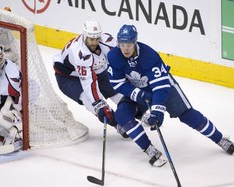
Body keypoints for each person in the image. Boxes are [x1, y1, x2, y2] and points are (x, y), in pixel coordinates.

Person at [107, 24, 234, 167]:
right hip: (138, 90)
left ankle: (220, 139)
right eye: (122, 45)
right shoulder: (114, 56)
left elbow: (161, 87)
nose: (125, 48)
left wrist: (157, 111)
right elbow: (117, 83)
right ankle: (150, 150)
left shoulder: (149, 56)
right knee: (122, 114)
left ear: (135, 42)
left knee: (187, 114)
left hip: (163, 87)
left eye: (129, 44)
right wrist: (138, 94)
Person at [53, 20, 126, 137]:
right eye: (91, 39)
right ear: (85, 35)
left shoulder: (106, 41)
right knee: (90, 101)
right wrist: (100, 104)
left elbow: (123, 57)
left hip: (95, 71)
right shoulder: (80, 53)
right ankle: (117, 124)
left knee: (115, 91)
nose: (94, 42)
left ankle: (139, 114)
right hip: (68, 78)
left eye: (97, 39)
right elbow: (89, 83)